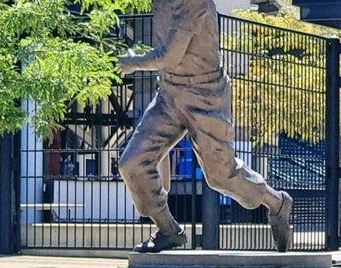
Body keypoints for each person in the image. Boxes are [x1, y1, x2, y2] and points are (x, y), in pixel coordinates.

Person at [117, 0, 293, 253]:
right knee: (132, 163)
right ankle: (168, 230)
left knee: (222, 176)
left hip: (205, 94)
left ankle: (276, 203)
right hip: (169, 92)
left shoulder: (194, 3)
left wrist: (135, 62)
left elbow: (170, 55)